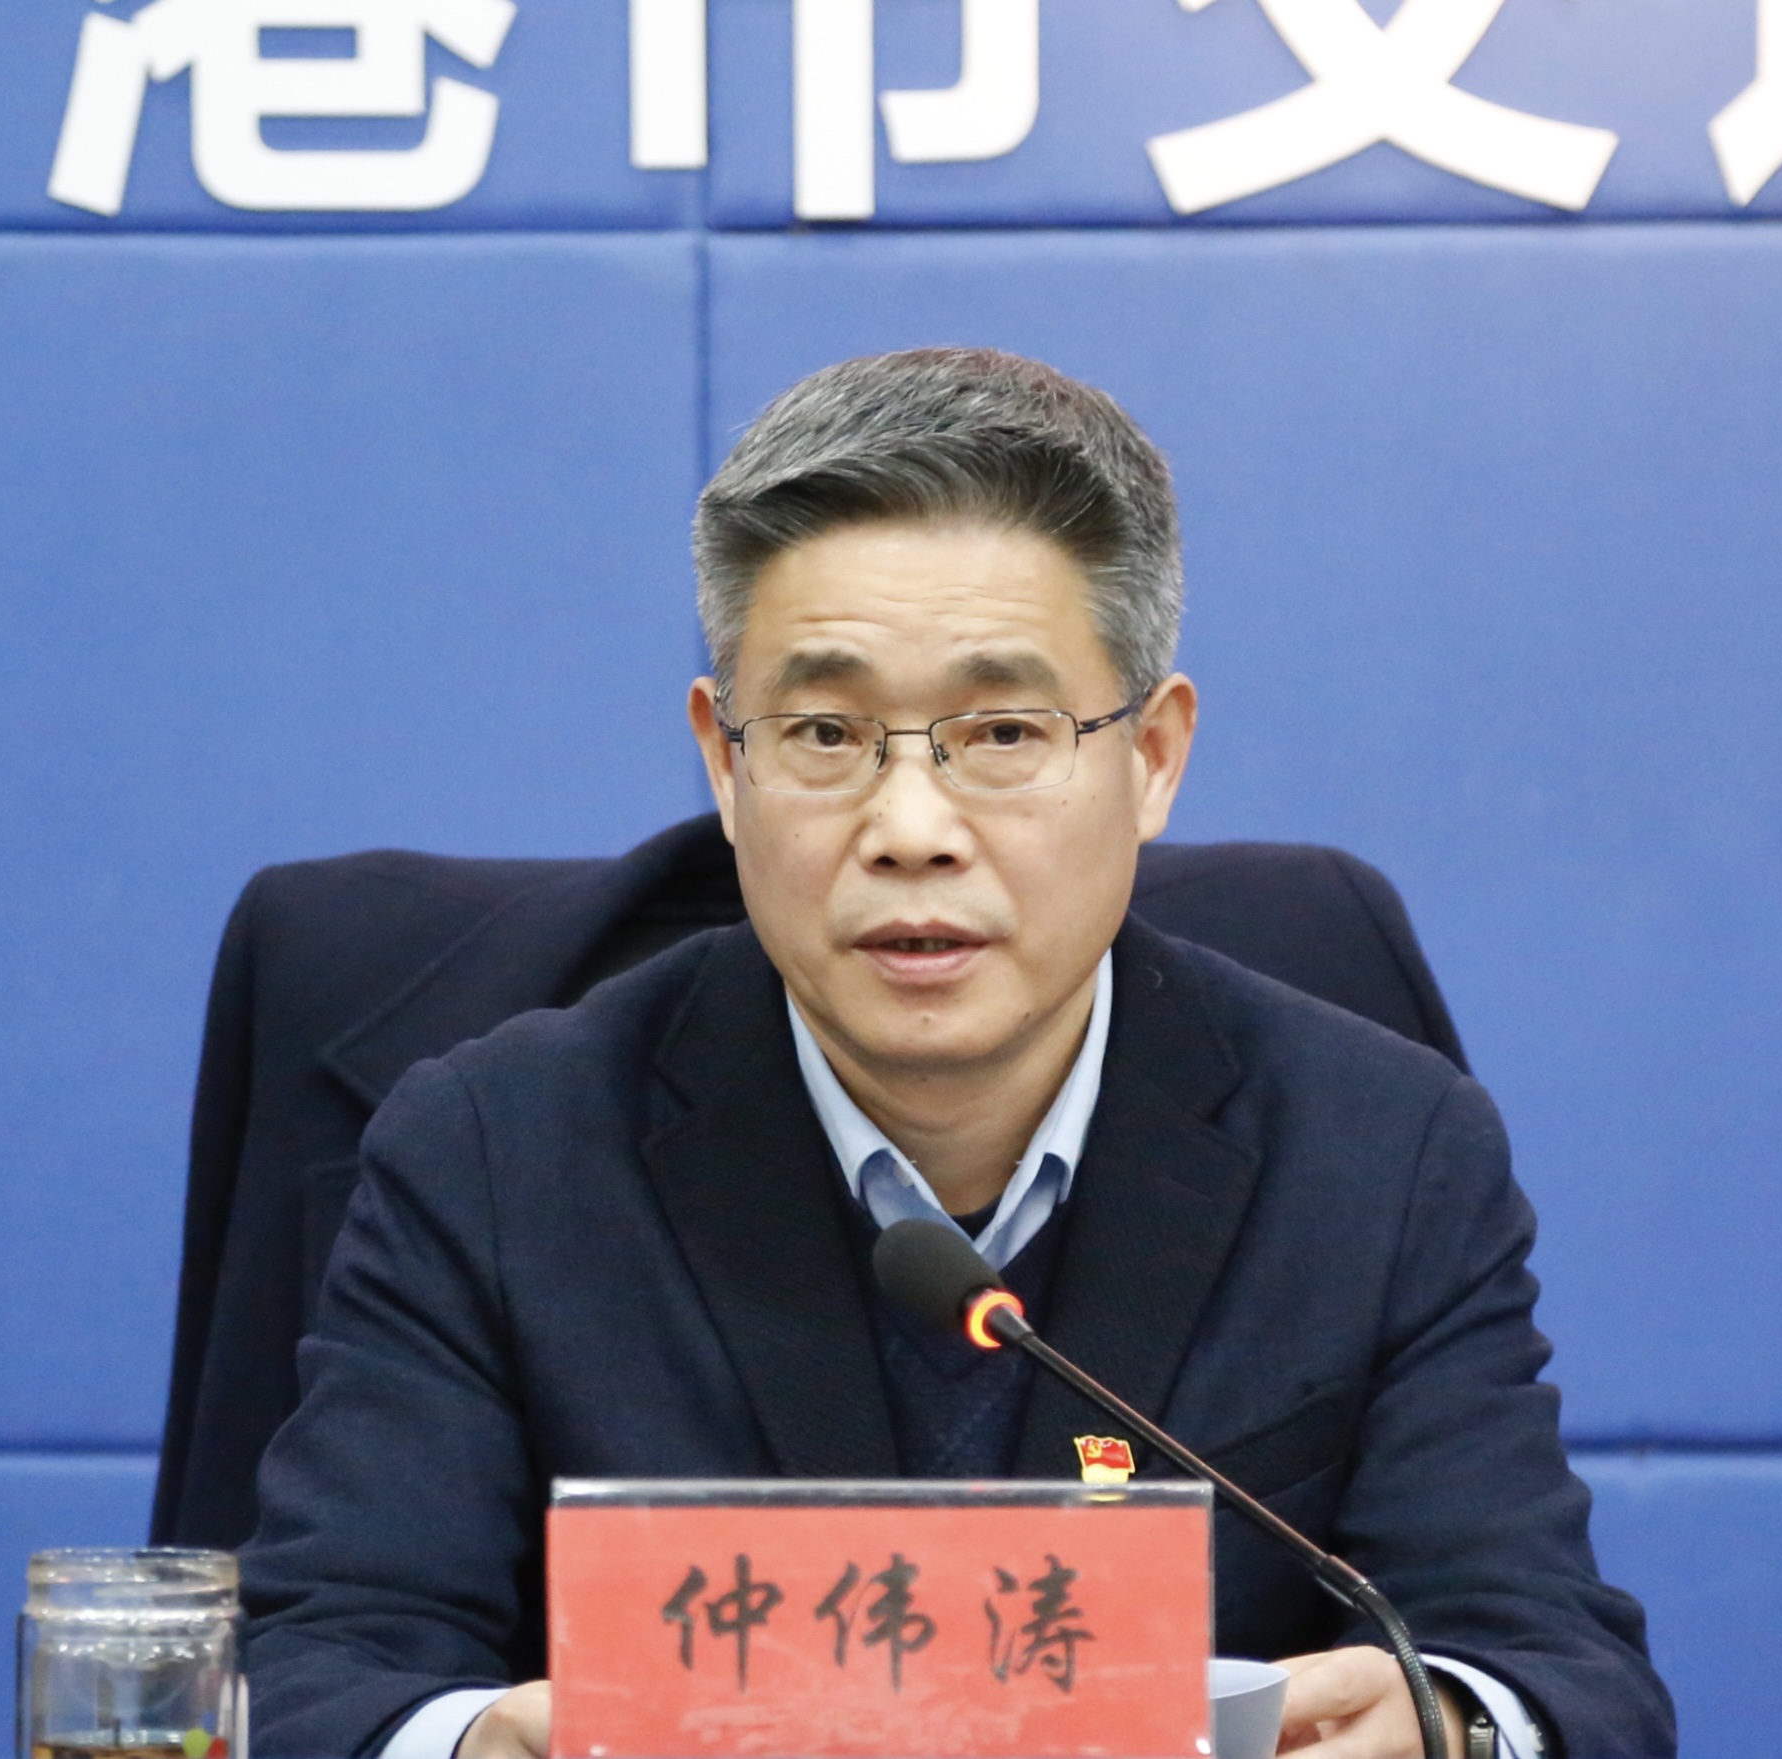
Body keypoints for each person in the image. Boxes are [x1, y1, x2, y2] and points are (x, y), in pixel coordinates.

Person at [237, 349, 1675, 1759]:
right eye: (824, 731)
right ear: (726, 763)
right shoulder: (497, 1154)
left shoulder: (1380, 1154)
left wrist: (1455, 1727)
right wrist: (479, 1744)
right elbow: (315, 1675)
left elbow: (1555, 1669)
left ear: (1152, 757)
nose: (911, 828)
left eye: (1001, 732)